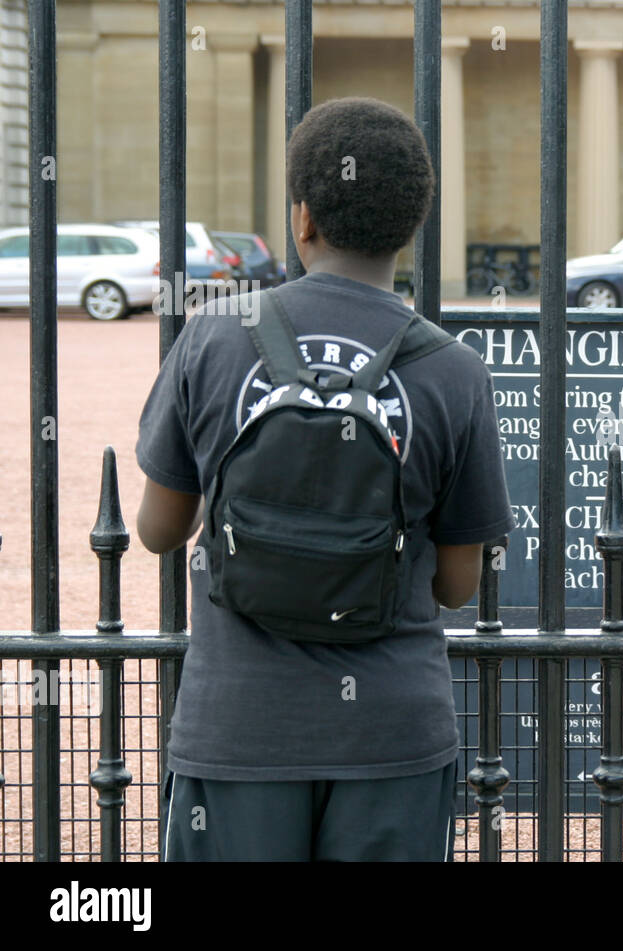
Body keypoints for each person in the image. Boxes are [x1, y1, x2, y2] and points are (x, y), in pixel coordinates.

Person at [135, 96, 514, 861]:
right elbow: (457, 583)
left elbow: (157, 529)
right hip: (391, 736)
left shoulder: (212, 336)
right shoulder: (453, 370)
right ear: (410, 228)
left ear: (302, 218)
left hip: (238, 728)